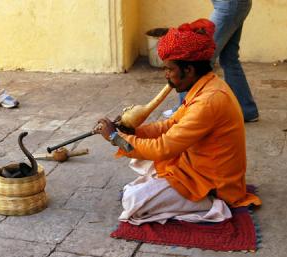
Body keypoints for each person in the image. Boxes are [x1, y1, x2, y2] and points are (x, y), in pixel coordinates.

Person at [95, 19, 261, 225]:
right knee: (138, 158)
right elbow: (169, 126)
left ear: (189, 70)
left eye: (169, 69)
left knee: (132, 199)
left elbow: (163, 148)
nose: (166, 76)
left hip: (214, 184)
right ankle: (169, 192)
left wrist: (115, 137)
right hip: (194, 167)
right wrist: (131, 131)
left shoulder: (209, 100)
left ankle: (213, 203)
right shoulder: (206, 86)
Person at [165, 0, 258, 122]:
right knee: (229, 58)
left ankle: (185, 111)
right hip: (234, 4)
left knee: (196, 58)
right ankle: (246, 110)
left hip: (228, 5)